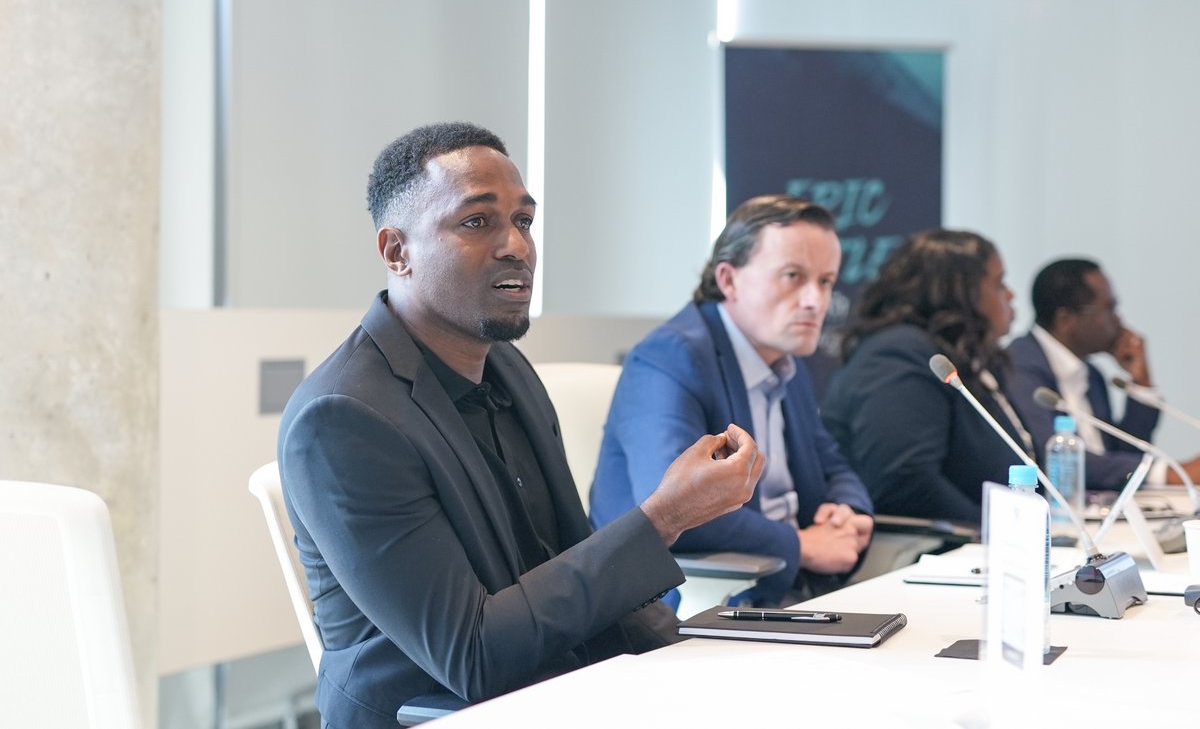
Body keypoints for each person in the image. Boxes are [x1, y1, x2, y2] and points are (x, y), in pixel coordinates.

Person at [277, 122, 764, 728]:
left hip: (559, 690)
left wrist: (702, 658)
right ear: (396, 252)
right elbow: (474, 654)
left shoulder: (506, 368)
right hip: (440, 713)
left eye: (524, 221)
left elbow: (568, 555)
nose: (518, 246)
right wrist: (665, 516)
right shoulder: (343, 420)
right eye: (478, 222)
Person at [590, 196, 873, 607]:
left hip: (790, 594)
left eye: (826, 281)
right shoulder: (670, 357)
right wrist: (802, 545)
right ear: (729, 280)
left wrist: (847, 510)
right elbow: (673, 507)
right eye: (793, 276)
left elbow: (832, 463)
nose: (816, 301)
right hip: (686, 607)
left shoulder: (786, 361)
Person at [820, 229, 1030, 524]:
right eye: (999, 283)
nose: (1010, 295)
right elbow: (904, 480)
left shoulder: (969, 357)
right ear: (959, 292)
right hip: (932, 550)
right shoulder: (899, 352)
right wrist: (988, 532)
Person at [1005, 258, 1200, 489]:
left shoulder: (1091, 374)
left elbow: (1124, 453)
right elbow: (1055, 458)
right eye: (1109, 309)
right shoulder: (1019, 365)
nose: (1119, 321)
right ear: (1066, 319)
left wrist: (1141, 381)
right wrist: (1169, 473)